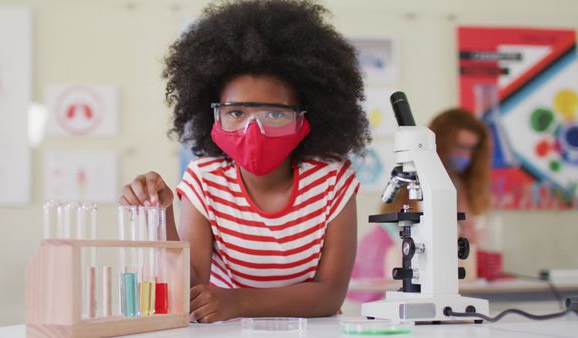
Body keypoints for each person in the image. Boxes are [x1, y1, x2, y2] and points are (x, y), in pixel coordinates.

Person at [120, 0, 370, 323]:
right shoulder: (204, 181)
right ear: (213, 116)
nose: (254, 130)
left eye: (275, 114)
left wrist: (237, 302)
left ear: (306, 118)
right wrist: (163, 213)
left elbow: (330, 293)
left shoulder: (331, 180)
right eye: (236, 113)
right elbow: (191, 287)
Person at [348, 107, 491, 302]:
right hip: (391, 249)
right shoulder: (415, 174)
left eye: (471, 149)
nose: (465, 156)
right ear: (442, 143)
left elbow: (467, 231)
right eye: (459, 146)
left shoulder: (458, 185)